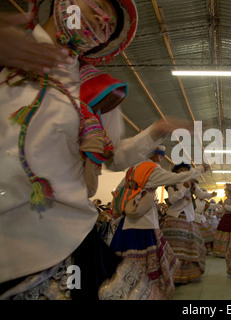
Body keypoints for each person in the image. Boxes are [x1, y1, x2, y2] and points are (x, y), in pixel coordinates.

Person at [0, 0, 190, 300]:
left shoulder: (99, 92)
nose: (103, 20)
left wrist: (155, 132)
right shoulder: (9, 45)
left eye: (110, 27)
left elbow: (114, 157)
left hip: (63, 234)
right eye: (98, 5)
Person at [99, 146, 211, 300]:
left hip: (128, 221)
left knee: (123, 259)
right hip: (145, 222)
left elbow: (117, 190)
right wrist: (200, 169)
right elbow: (176, 179)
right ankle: (142, 293)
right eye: (160, 155)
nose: (162, 158)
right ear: (154, 155)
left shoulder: (132, 170)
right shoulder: (151, 169)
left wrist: (133, 196)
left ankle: (121, 291)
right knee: (147, 260)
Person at [161, 163, 216, 284]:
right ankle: (172, 274)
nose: (184, 172)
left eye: (186, 170)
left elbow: (200, 194)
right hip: (174, 217)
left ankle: (184, 275)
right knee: (173, 247)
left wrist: (211, 195)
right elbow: (171, 200)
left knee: (188, 246)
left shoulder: (192, 182)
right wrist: (183, 189)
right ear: (176, 172)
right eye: (181, 170)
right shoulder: (172, 184)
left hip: (188, 218)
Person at [212, 187, 231, 257]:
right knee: (222, 233)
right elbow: (223, 210)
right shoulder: (226, 200)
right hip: (226, 217)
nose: (225, 193)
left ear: (229, 192)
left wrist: (223, 205)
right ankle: (222, 251)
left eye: (225, 191)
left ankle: (230, 251)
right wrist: (217, 212)